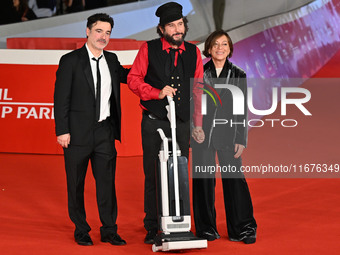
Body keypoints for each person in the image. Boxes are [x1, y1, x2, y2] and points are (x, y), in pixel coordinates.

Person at [127, 1, 204, 244]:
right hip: (153, 121)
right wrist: (156, 92)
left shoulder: (194, 52)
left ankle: (180, 221)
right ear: (161, 29)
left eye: (180, 24)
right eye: (171, 26)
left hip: (181, 122)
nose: (177, 29)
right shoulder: (148, 49)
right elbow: (133, 79)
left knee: (179, 171)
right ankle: (152, 225)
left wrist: (198, 123)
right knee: (152, 174)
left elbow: (199, 89)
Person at [54, 13, 129, 246]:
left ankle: (109, 230)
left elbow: (133, 78)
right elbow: (60, 98)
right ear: (87, 31)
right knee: (76, 184)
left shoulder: (113, 60)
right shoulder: (70, 60)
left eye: (107, 32)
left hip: (104, 132)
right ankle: (81, 230)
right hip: (76, 134)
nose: (103, 37)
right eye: (99, 31)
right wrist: (62, 130)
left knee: (107, 184)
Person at [191, 30, 257, 244]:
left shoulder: (239, 74)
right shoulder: (199, 72)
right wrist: (194, 128)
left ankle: (243, 228)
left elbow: (242, 109)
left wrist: (241, 138)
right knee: (203, 182)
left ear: (230, 49)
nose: (220, 48)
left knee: (235, 180)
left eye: (225, 44)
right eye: (216, 44)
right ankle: (205, 228)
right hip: (203, 135)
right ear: (209, 48)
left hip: (229, 135)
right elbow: (193, 103)